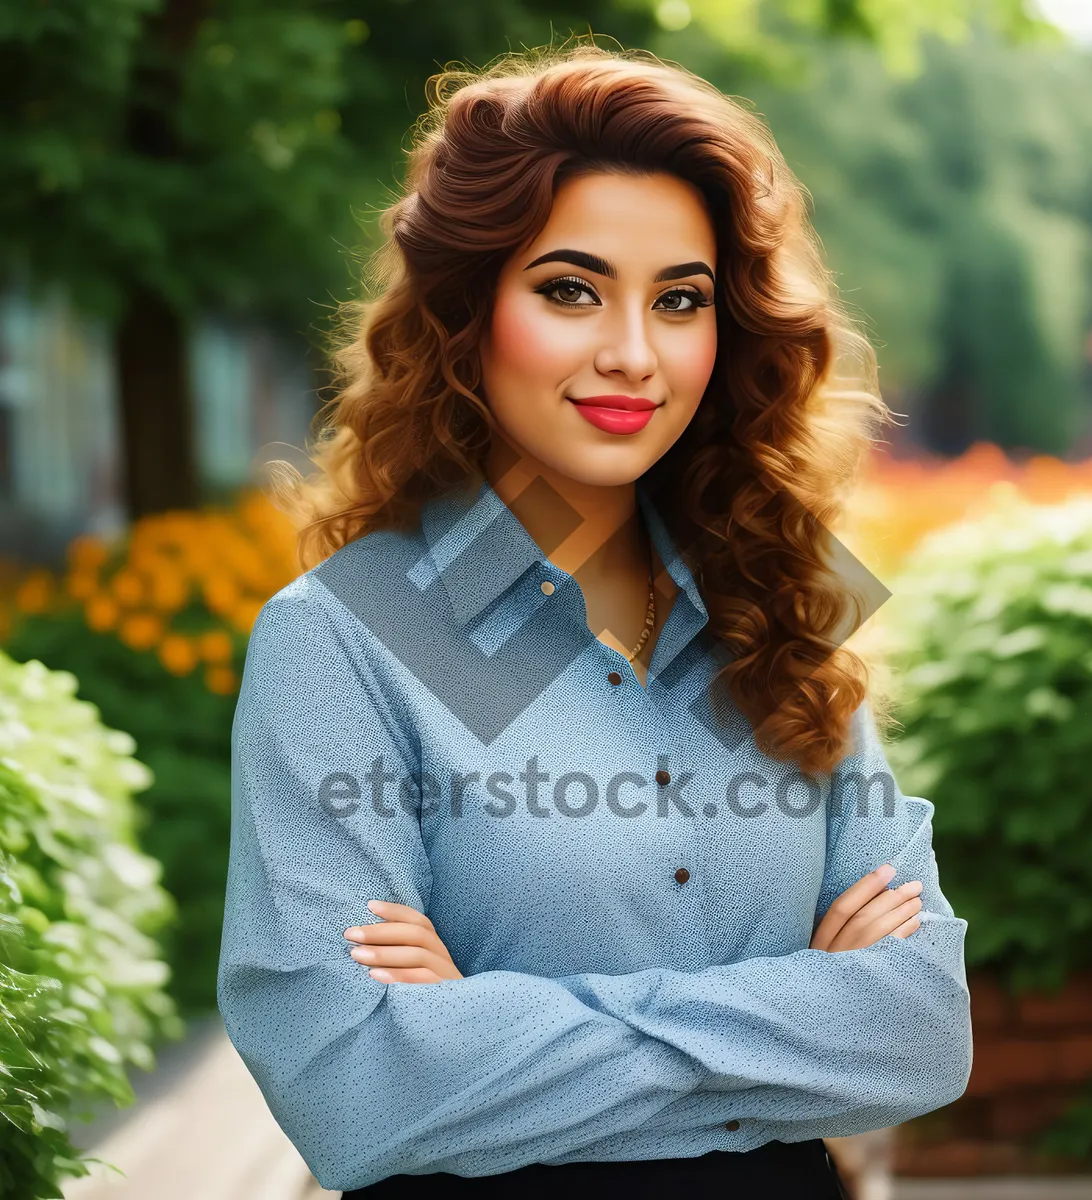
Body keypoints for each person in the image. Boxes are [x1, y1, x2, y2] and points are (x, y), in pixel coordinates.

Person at [216, 41, 972, 1199]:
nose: (632, 354)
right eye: (570, 290)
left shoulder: (784, 594)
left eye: (681, 300)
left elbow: (920, 1029)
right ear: (469, 313)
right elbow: (350, 1080)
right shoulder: (345, 638)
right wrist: (798, 1018)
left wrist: (486, 1021)